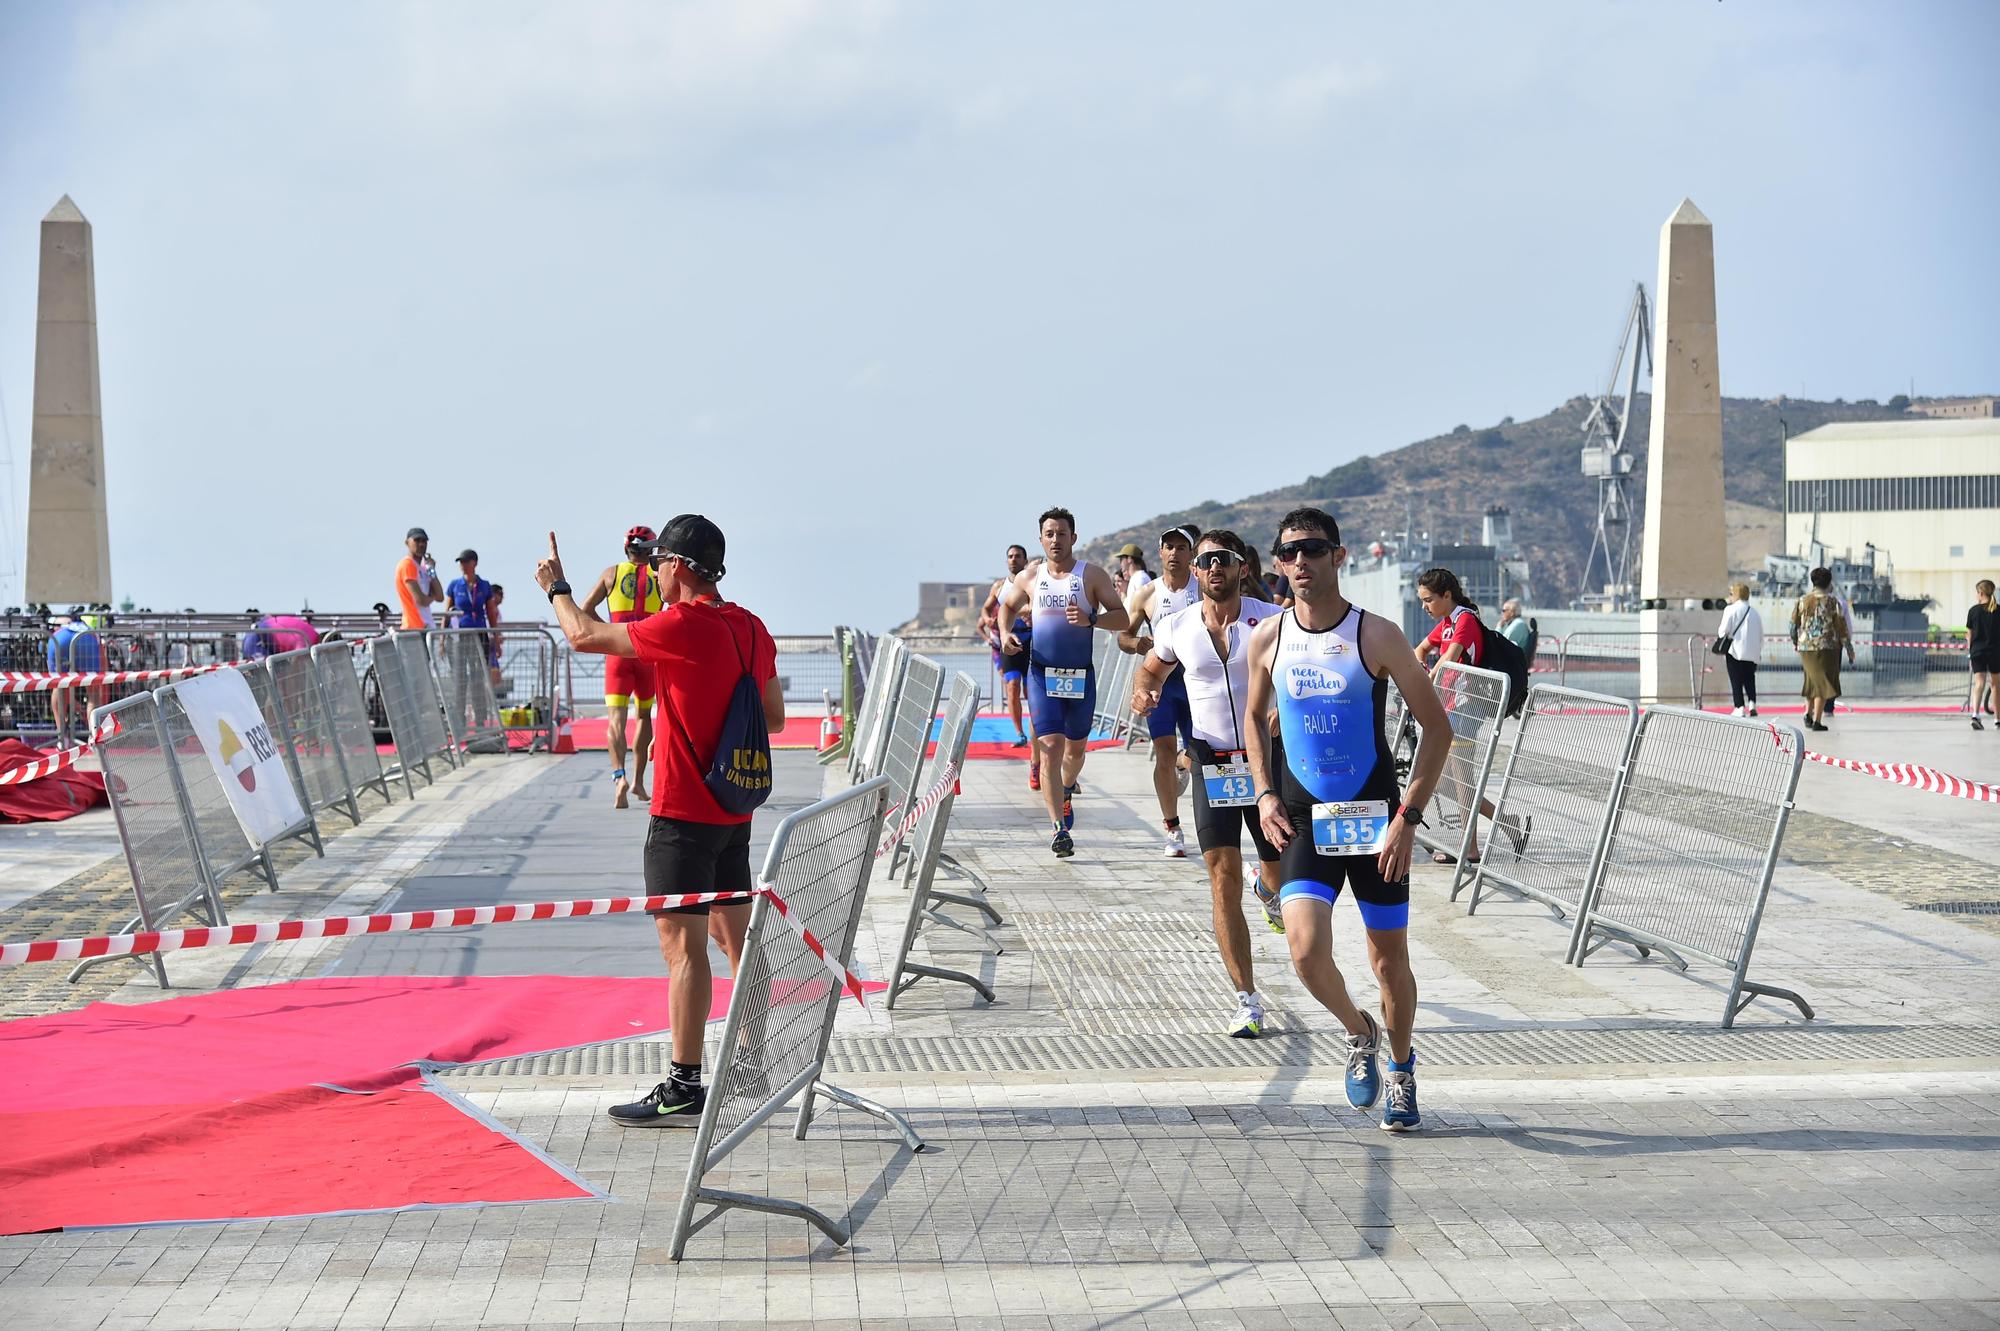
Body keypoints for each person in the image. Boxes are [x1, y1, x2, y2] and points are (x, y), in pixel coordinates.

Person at [537, 515, 783, 1126]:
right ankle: (752, 1058)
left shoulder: (682, 624)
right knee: (736, 941)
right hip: (734, 807)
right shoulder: (751, 627)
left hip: (682, 813)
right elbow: (774, 717)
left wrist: (556, 587)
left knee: (683, 952)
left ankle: (684, 1083)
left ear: (676, 565)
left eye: (657, 565)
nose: (651, 574)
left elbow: (583, 637)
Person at [1243, 507, 1452, 1132]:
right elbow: (1253, 720)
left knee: (1389, 962)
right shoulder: (1268, 638)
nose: (1299, 562)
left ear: (1339, 555)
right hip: (1304, 818)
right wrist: (1264, 793)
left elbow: (1437, 728)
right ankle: (1358, 1031)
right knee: (1306, 953)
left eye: (1312, 549)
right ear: (1277, 564)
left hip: (1375, 819)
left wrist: (1408, 819)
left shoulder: (1377, 635)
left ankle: (1402, 1066)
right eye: (1288, 553)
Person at [1131, 530, 1286, 1036]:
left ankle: (1268, 888)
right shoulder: (1176, 626)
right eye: (1205, 562)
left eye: (1223, 560)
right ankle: (1246, 999)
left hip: (1266, 762)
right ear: (1194, 572)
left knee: (1278, 869)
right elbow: (1150, 673)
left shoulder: (1271, 621)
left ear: (1242, 567)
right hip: (1211, 758)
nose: (1214, 568)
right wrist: (1144, 694)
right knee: (1221, 878)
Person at [997, 507, 1131, 859]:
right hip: (1042, 674)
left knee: (1075, 751)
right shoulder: (1030, 577)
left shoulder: (1092, 575)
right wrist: (1005, 632)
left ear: (1074, 537)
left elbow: (1123, 618)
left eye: (1062, 533)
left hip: (1080, 677)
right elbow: (1006, 608)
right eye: (1049, 534)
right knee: (1051, 746)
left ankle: (1067, 787)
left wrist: (1092, 620)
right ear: (1041, 539)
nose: (1055, 540)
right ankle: (1058, 829)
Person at [1415, 568, 1524, 865]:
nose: (1424, 607)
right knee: (1447, 783)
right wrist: (1421, 667)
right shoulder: (1447, 623)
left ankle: (1470, 848)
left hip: (1465, 709)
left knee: (1462, 780)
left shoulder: (1465, 620)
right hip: (1448, 708)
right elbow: (1421, 649)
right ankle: (1506, 822)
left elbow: (1448, 660)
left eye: (1428, 600)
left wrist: (1423, 685)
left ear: (1447, 595)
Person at [1120, 524, 1202, 857]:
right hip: (1163, 686)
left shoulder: (1204, 588)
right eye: (1169, 547)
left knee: (1199, 754)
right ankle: (1173, 828)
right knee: (1164, 753)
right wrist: (1137, 643)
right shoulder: (1148, 594)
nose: (1175, 553)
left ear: (1191, 553)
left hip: (1198, 683)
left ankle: (1185, 765)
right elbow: (1123, 637)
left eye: (1182, 548)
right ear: (1160, 553)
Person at [583, 526, 666, 808]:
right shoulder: (658, 575)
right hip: (646, 653)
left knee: (615, 720)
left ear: (626, 549)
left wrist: (608, 631)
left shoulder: (612, 573)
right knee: (644, 717)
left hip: (618, 652)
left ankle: (619, 777)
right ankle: (639, 781)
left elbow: (585, 609)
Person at [976, 544, 1036, 757]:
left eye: (1017, 556)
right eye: (1010, 556)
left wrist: (1023, 612)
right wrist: (986, 618)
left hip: (1030, 641)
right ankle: (1020, 733)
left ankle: (1036, 727)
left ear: (1025, 560)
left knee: (1031, 690)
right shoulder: (999, 586)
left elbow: (1036, 605)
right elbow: (985, 607)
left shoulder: (1033, 582)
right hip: (1007, 640)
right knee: (1012, 685)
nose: (1013, 560)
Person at [1790, 567, 1851, 732]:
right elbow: (1841, 628)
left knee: (1811, 680)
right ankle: (1817, 720)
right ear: (1829, 583)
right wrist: (1849, 648)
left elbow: (1792, 625)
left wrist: (1796, 641)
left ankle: (1808, 714)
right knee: (1823, 683)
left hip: (1806, 647)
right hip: (1827, 647)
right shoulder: (1833, 603)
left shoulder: (1802, 601)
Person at [445, 550, 497, 729]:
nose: (463, 565)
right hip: (460, 637)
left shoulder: (484, 585)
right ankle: (459, 719)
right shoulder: (455, 585)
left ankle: (480, 718)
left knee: (478, 677)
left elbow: (491, 612)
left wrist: (495, 636)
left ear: (474, 563)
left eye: (466, 561)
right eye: (461, 562)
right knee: (460, 679)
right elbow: (447, 611)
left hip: (479, 634)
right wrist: (443, 639)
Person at [45, 608, 103, 746]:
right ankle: (94, 737)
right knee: (93, 693)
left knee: (58, 687)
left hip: (59, 638)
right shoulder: (90, 629)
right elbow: (104, 671)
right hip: (86, 637)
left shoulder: (59, 627)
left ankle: (62, 737)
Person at [1716, 583, 1764, 718]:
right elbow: (1761, 634)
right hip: (1752, 652)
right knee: (1750, 678)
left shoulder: (1730, 610)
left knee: (1735, 679)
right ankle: (1752, 703)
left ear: (1735, 594)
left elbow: (1723, 630)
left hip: (1735, 650)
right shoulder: (1754, 612)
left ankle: (1739, 706)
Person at [395, 528, 445, 631]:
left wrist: (431, 570)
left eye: (424, 541)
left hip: (426, 626)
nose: (421, 544)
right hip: (414, 627)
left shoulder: (423, 568)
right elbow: (421, 600)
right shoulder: (407, 564)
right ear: (407, 542)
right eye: (417, 540)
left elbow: (440, 596)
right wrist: (432, 596)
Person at [1967, 579, 1996, 730]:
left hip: (1977, 651)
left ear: (1981, 593)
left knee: (1979, 683)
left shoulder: (1973, 611)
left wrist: (1969, 651)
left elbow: (1969, 635)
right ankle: (1997, 719)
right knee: (1996, 685)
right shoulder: (1998, 610)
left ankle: (1975, 715)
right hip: (1994, 652)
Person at [484, 583, 507, 692]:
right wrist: (497, 640)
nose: (502, 597)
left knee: (495, 678)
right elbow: (489, 631)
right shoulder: (487, 610)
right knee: (492, 676)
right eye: (500, 594)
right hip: (488, 647)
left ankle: (489, 698)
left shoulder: (498, 612)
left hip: (492, 648)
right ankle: (487, 699)